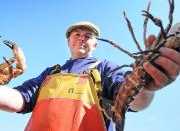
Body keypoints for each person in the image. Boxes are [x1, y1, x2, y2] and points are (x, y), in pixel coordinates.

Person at [0, 21, 180, 131]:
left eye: (88, 36)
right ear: (68, 41)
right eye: (77, 34)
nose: (81, 38)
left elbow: (133, 99)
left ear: (95, 44)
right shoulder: (50, 73)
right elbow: (19, 99)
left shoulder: (105, 68)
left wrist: (146, 86)